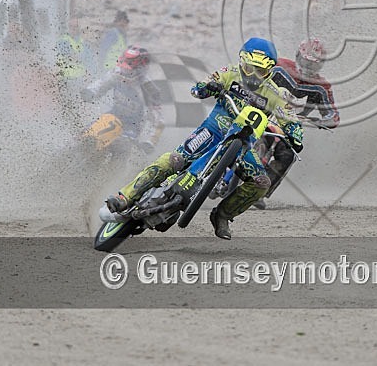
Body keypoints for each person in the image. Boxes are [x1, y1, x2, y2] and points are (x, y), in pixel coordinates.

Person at [106, 38, 304, 241]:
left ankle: (222, 215)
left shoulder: (277, 94)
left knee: (262, 183)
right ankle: (125, 196)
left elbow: (290, 118)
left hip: (244, 145)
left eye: (260, 71)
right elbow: (206, 83)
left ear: (270, 71)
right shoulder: (230, 72)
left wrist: (295, 133)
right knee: (174, 160)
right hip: (213, 130)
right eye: (249, 67)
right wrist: (207, 87)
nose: (253, 75)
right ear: (241, 61)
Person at [254, 39, 340, 209]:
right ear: (298, 57)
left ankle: (259, 193)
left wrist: (323, 122)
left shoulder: (322, 86)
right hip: (262, 111)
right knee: (235, 127)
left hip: (290, 122)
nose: (309, 68)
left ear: (321, 66)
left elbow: (333, 115)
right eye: (306, 62)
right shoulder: (279, 66)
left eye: (314, 65)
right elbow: (251, 76)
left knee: (288, 155)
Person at [81, 45, 164, 154]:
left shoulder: (150, 89)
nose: (125, 73)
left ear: (140, 68)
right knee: (86, 133)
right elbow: (101, 84)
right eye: (124, 67)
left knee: (122, 148)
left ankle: (113, 170)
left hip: (132, 126)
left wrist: (150, 142)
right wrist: (91, 92)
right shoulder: (117, 74)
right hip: (113, 115)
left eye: (129, 70)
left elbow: (158, 120)